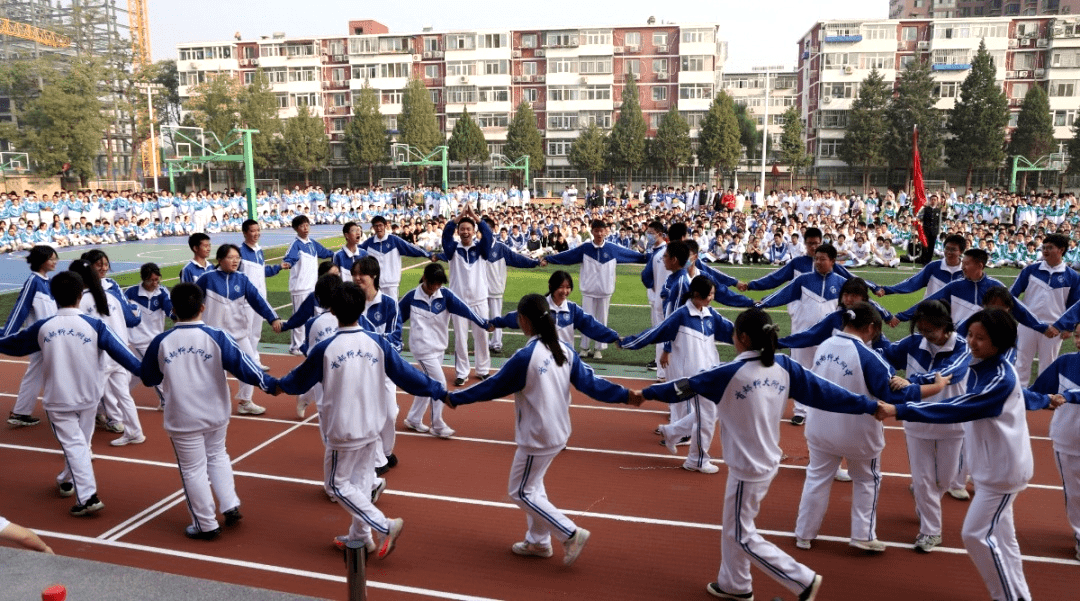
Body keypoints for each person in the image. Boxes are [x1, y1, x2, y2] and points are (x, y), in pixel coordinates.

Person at [639, 307, 886, 601]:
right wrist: (868, 405)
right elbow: (827, 392)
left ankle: (801, 580)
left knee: (742, 534)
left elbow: (681, 388)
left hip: (748, 467)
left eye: (733, 334)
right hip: (765, 462)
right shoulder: (783, 366)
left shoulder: (730, 373)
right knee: (733, 525)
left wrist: (640, 395)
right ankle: (734, 584)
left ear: (742, 338)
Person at [446, 293, 636, 566]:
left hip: (538, 435)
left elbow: (491, 387)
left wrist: (455, 398)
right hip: (557, 431)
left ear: (523, 321)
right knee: (534, 485)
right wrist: (624, 395)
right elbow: (593, 384)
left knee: (520, 492)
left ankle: (569, 533)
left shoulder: (527, 357)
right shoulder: (563, 349)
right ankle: (538, 542)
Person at [276, 282, 446, 558]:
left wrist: (275, 385)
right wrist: (439, 390)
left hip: (343, 430)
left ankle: (384, 525)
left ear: (332, 309)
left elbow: (297, 381)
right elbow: (408, 376)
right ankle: (361, 536)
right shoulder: (377, 342)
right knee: (362, 483)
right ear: (361, 308)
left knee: (336, 485)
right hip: (372, 427)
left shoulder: (325, 348)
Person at [876, 309, 1036, 601]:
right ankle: (1019, 594)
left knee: (974, 535)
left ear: (999, 343)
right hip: (994, 469)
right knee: (1003, 539)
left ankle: (1009, 597)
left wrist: (899, 409)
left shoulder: (998, 379)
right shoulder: (982, 366)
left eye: (981, 338)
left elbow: (956, 407)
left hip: (1002, 472)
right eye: (971, 335)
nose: (972, 342)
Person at [793, 302, 947, 553]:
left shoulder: (824, 346)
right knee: (866, 480)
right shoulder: (868, 356)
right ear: (872, 327)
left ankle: (803, 534)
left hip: (820, 428)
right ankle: (862, 535)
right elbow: (894, 395)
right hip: (857, 432)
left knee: (816, 479)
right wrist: (935, 388)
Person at [140, 283, 277, 539]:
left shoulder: (162, 341)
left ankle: (205, 524)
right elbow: (246, 367)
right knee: (217, 455)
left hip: (183, 417)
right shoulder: (217, 336)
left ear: (172, 309)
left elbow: (148, 377)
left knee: (193, 469)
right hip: (216, 413)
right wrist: (272, 386)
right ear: (203, 307)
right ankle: (229, 504)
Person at [0, 270, 142, 516]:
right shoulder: (95, 325)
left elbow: (13, 345)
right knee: (79, 443)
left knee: (76, 445)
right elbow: (126, 356)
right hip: (90, 397)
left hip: (59, 399)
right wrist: (152, 374)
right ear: (80, 295)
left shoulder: (43, 327)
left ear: (53, 296)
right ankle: (66, 479)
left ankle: (88, 496)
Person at [880, 300, 970, 553]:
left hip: (952, 421)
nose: (925, 335)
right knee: (924, 479)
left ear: (945, 327)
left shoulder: (962, 346)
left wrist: (911, 381)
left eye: (930, 331)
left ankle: (923, 495)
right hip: (917, 419)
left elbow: (950, 372)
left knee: (946, 479)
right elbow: (886, 354)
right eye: (921, 330)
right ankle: (931, 531)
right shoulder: (913, 343)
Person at [619, 276, 734, 473]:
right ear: (697, 294)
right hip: (693, 376)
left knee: (711, 413)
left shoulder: (710, 314)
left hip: (710, 373)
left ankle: (672, 431)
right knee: (706, 417)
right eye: (710, 294)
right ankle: (696, 460)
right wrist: (627, 342)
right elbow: (656, 332)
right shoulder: (681, 315)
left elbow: (732, 331)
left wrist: (757, 338)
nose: (712, 298)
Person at [756, 243, 847, 425]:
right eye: (816, 259)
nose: (818, 262)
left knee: (827, 371)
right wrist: (762, 304)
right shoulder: (803, 280)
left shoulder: (842, 283)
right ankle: (800, 410)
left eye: (823, 259)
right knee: (800, 371)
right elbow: (782, 295)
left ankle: (824, 409)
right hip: (802, 334)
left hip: (830, 338)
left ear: (833, 261)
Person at [399, 263, 489, 438]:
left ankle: (413, 419)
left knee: (427, 385)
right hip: (422, 350)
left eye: (439, 284)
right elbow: (394, 318)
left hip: (439, 348)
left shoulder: (445, 296)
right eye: (433, 283)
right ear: (424, 278)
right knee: (439, 384)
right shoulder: (411, 298)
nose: (435, 288)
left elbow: (467, 310)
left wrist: (485, 323)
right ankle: (437, 424)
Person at [193, 244, 284, 415]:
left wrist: (273, 318)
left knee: (250, 364)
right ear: (220, 260)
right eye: (230, 257)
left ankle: (245, 401)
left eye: (237, 257)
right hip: (214, 336)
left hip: (239, 334)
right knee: (213, 372)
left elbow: (258, 300)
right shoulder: (208, 278)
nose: (235, 261)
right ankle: (210, 404)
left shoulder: (242, 279)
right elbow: (191, 299)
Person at [546, 218, 647, 360]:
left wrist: (647, 257)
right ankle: (584, 347)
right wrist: (549, 259)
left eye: (601, 231)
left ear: (606, 231)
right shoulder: (585, 248)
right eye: (596, 231)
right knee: (585, 321)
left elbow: (631, 255)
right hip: (588, 291)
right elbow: (567, 256)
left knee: (601, 321)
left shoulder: (612, 248)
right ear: (592, 231)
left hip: (605, 292)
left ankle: (599, 348)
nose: (599, 233)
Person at [71, 256, 145, 445]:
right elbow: (126, 322)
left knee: (91, 401)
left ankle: (83, 444)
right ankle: (135, 432)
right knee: (124, 395)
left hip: (99, 357)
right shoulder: (111, 296)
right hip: (119, 354)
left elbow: (82, 331)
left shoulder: (82, 301)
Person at [1028, 349, 1080, 561]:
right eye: (1077, 336)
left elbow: (1068, 395)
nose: (1078, 341)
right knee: (1075, 493)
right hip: (1067, 440)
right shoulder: (1065, 362)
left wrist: (1066, 395)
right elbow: (1038, 390)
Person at [1010, 233, 1080, 385]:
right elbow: (1011, 295)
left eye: (1050, 248)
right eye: (1044, 248)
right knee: (1021, 362)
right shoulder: (1030, 270)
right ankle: (1019, 395)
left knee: (1048, 365)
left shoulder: (1073, 276)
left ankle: (1044, 397)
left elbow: (1074, 305)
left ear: (1061, 250)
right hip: (1028, 324)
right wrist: (1019, 316)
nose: (1045, 251)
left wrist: (1067, 327)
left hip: (1054, 328)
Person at [436, 204, 494, 386]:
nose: (465, 232)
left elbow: (489, 235)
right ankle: (462, 372)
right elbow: (445, 234)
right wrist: (459, 216)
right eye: (462, 229)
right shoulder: (452, 249)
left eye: (469, 229)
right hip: (458, 301)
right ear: (458, 231)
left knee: (482, 337)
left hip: (479, 300)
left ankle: (483, 370)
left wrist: (475, 217)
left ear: (474, 231)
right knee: (460, 339)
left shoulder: (482, 249)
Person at [4, 245, 58, 426]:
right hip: (40, 339)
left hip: (51, 338)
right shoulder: (33, 282)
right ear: (41, 261)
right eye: (51, 258)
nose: (55, 261)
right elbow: (20, 309)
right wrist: (7, 336)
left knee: (36, 374)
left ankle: (21, 412)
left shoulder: (47, 283)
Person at [482, 216, 542, 355]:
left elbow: (518, 259)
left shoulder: (501, 248)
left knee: (496, 315)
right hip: (481, 290)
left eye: (486, 229)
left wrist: (534, 262)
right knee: (482, 317)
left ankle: (496, 343)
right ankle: (484, 343)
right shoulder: (478, 247)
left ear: (492, 230)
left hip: (496, 288)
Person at [239, 219, 290, 371]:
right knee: (245, 333)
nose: (256, 234)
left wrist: (278, 267)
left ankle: (254, 360)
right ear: (245, 233)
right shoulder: (240, 252)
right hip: (245, 301)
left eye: (258, 230)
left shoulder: (258, 251)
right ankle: (244, 362)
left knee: (256, 333)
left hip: (260, 299)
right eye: (252, 231)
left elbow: (262, 272)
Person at [282, 215, 334, 355]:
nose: (305, 228)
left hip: (312, 287)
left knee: (312, 318)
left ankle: (308, 343)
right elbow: (289, 258)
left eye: (307, 225)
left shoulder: (312, 243)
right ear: (296, 229)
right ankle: (295, 346)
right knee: (299, 317)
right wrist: (287, 263)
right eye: (302, 226)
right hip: (299, 287)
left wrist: (337, 254)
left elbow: (325, 253)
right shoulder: (296, 245)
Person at [124, 263, 173, 408]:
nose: (155, 283)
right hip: (137, 340)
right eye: (151, 280)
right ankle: (166, 401)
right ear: (143, 279)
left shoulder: (162, 292)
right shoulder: (130, 293)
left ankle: (116, 397)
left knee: (136, 373)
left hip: (155, 339)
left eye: (157, 280)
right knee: (154, 369)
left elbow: (169, 308)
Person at [358, 214, 431, 300]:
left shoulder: (394, 240)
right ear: (373, 228)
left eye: (380, 225)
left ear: (385, 226)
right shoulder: (369, 243)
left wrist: (428, 255)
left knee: (392, 310)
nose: (378, 228)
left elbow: (410, 248)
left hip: (391, 284)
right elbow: (355, 251)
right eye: (376, 226)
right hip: (375, 284)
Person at [874, 234, 966, 299]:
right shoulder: (933, 267)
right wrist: (887, 290)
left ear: (961, 251)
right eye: (947, 248)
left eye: (953, 249)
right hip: (931, 313)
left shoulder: (967, 271)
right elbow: (912, 283)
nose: (949, 252)